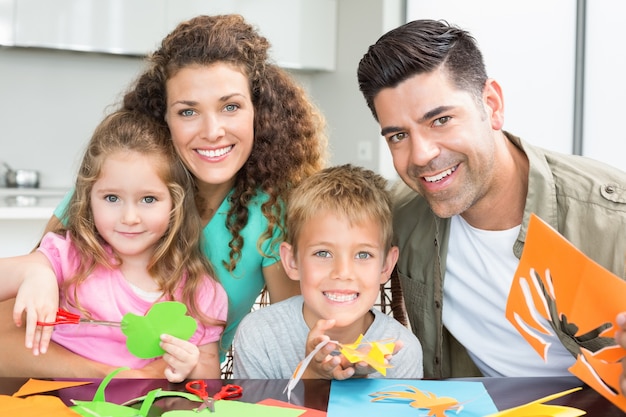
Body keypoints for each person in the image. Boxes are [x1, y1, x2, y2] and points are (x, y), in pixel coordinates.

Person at [0, 14, 327, 377]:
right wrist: (120, 377)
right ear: (163, 118)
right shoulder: (111, 193)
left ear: (259, 113)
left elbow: (293, 345)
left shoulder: (270, 216)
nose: (212, 131)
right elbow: (7, 335)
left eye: (230, 106)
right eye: (188, 111)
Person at [356, 19, 626, 379]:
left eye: (441, 120)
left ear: (492, 104)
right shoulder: (400, 213)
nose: (420, 155)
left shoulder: (612, 220)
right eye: (398, 136)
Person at [0, 110, 228, 382]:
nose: (129, 218)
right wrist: (35, 273)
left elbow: (209, 377)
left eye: (148, 199)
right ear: (88, 199)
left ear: (175, 204)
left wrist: (190, 366)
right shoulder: (69, 257)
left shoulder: (200, 291)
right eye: (111, 198)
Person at [232, 164, 424, 379]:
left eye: (363, 255)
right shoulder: (259, 335)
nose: (342, 273)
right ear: (292, 261)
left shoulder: (401, 351)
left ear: (386, 266)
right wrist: (312, 378)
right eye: (323, 253)